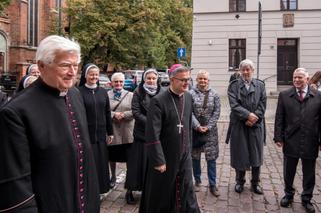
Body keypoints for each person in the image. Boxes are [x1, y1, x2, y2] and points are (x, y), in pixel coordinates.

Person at [0, 35, 100, 212]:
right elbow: (15, 183)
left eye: (75, 65)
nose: (72, 72)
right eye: (65, 65)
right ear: (41, 66)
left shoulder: (75, 94)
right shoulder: (15, 112)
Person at [139, 64, 200, 213]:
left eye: (189, 80)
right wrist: (158, 159)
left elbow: (186, 125)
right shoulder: (158, 101)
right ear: (172, 80)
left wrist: (189, 150)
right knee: (164, 192)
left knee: (186, 188)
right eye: (183, 80)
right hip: (165, 156)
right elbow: (152, 133)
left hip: (184, 154)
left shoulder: (188, 96)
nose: (187, 83)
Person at [274, 68, 321, 213]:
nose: (297, 80)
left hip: (310, 140)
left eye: (300, 77)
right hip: (291, 140)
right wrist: (278, 137)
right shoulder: (284, 95)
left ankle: (306, 198)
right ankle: (288, 195)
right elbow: (279, 118)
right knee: (289, 170)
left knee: (309, 172)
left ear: (307, 79)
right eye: (295, 77)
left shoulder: (318, 96)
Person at [227, 59, 266, 195]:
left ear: (252, 71)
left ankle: (255, 183)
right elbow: (234, 105)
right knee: (240, 154)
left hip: (256, 125)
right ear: (239, 71)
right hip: (239, 124)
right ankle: (240, 181)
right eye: (243, 69)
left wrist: (255, 118)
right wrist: (247, 115)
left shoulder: (260, 85)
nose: (245, 72)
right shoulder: (233, 85)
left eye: (248, 69)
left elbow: (263, 103)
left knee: (256, 155)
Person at [125, 68, 164, 204]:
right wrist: (150, 123)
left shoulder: (162, 92)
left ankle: (151, 191)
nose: (151, 80)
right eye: (149, 78)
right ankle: (130, 190)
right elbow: (135, 111)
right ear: (144, 79)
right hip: (142, 133)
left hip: (158, 134)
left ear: (157, 79)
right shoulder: (138, 91)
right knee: (136, 164)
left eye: (153, 78)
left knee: (153, 163)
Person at [78, 63, 114, 199]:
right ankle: (88, 189)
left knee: (100, 163)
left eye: (96, 74)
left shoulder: (103, 92)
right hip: (85, 135)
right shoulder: (78, 92)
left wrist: (110, 132)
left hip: (100, 135)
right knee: (88, 163)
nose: (94, 76)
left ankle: (100, 189)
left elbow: (107, 112)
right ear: (85, 75)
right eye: (91, 74)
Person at [189, 69, 221, 197]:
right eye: (200, 78)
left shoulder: (215, 94)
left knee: (211, 158)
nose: (203, 81)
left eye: (205, 79)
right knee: (195, 157)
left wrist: (208, 126)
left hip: (210, 132)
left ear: (208, 81)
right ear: (197, 80)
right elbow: (189, 112)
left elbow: (217, 112)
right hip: (195, 131)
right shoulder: (190, 94)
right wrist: (197, 126)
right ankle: (197, 181)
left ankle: (213, 184)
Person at [107, 72, 134, 189]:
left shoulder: (131, 95)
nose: (118, 84)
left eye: (120, 81)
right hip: (112, 131)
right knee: (112, 156)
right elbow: (103, 110)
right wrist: (113, 114)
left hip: (127, 131)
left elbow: (135, 111)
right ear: (111, 83)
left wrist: (123, 114)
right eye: (116, 81)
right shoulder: (106, 95)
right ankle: (113, 176)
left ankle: (129, 178)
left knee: (128, 157)